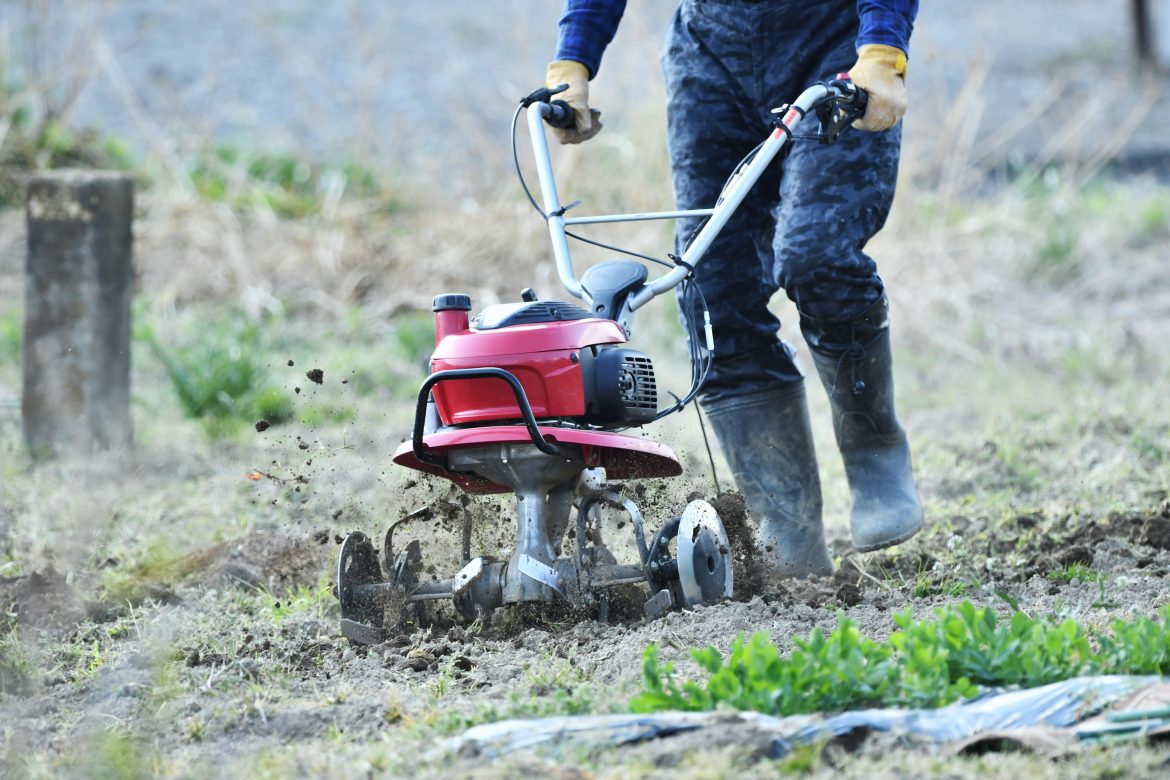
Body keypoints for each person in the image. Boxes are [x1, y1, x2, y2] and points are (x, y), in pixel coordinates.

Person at [545, 0, 923, 576]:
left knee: (816, 257)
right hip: (711, 55)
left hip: (833, 41)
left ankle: (874, 448)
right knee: (712, 297)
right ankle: (787, 537)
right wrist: (574, 58)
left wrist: (882, 49)